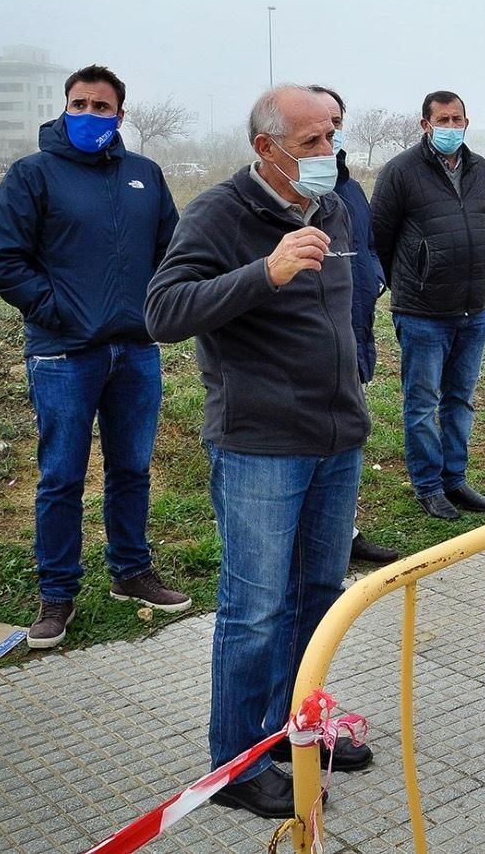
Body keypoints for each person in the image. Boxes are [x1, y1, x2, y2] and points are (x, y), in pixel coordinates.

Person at [145, 84, 374, 818]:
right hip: (261, 447)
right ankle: (235, 763)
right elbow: (163, 312)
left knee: (318, 596)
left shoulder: (333, 206)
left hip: (336, 437)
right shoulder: (220, 212)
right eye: (309, 142)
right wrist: (262, 273)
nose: (326, 152)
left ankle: (295, 729)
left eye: (332, 135)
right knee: (255, 609)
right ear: (265, 148)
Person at [0, 64, 190, 651]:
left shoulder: (144, 174)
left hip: (136, 351)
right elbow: (0, 263)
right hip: (64, 354)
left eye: (102, 108)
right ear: (64, 107)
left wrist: (157, 309)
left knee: (132, 469)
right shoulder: (32, 175)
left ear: (121, 115)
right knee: (61, 477)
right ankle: (57, 595)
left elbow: (172, 252)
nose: (91, 116)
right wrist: (59, 310)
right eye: (80, 104)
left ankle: (131, 572)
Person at [370, 90, 485, 521]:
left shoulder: (481, 170)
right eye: (441, 120)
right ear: (425, 125)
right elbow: (379, 237)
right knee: (422, 403)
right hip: (423, 313)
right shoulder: (400, 171)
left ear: (467, 120)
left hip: (473, 309)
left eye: (456, 118)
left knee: (460, 400)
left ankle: (454, 478)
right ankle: (427, 485)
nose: (450, 127)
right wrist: (407, 285)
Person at [310, 84, 398, 567]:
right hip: (308, 352)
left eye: (336, 124)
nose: (330, 135)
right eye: (319, 126)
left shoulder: (350, 189)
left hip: (355, 335)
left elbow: (368, 244)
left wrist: (377, 276)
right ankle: (322, 540)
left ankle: (345, 530)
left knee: (346, 443)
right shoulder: (287, 194)